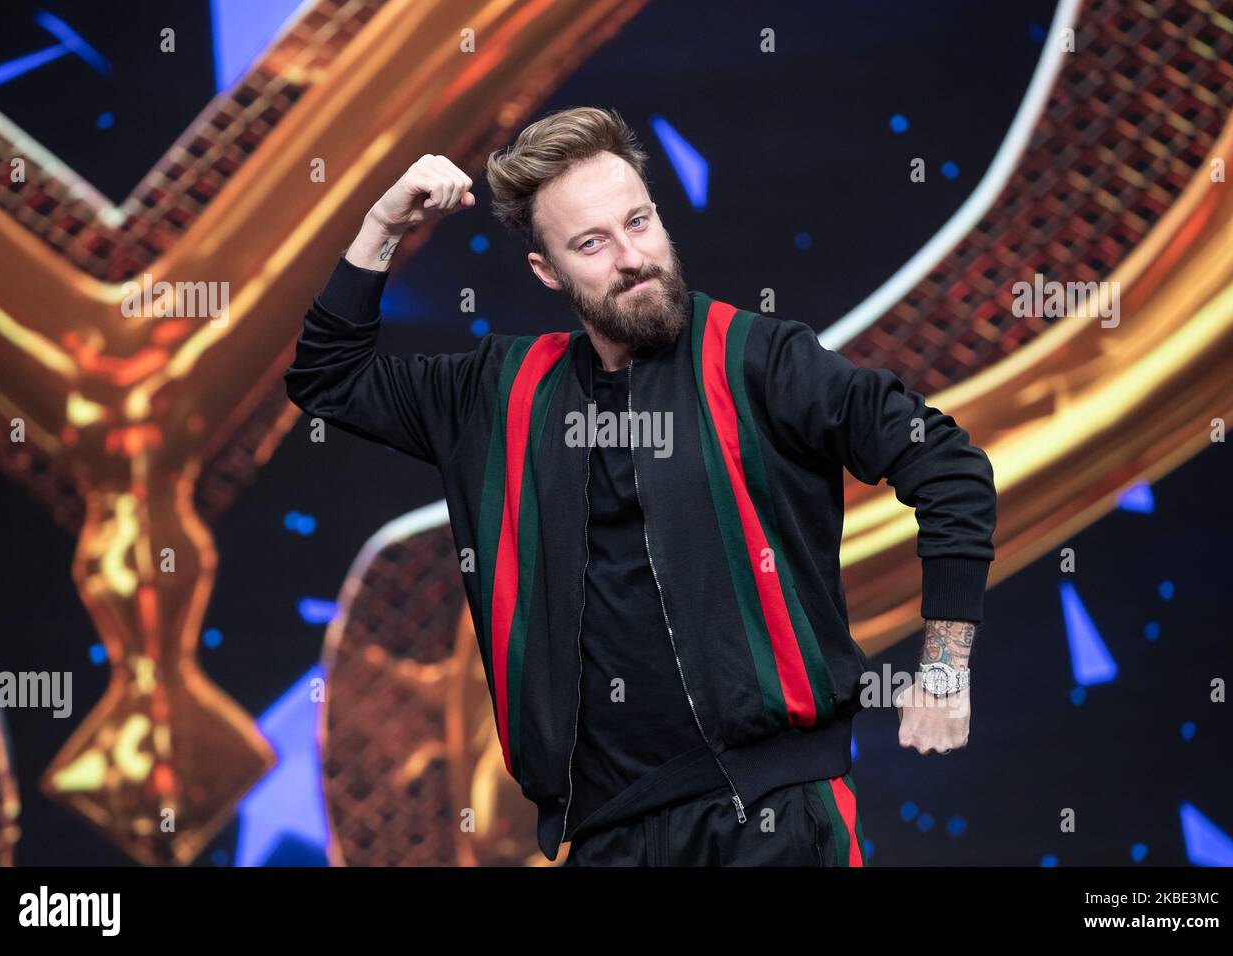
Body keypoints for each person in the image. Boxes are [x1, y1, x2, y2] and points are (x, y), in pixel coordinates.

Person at [284, 106, 996, 866]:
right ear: (547, 271)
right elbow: (328, 378)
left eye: (640, 222)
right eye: (592, 243)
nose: (632, 257)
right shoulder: (498, 395)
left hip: (774, 818)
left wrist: (946, 665)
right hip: (607, 836)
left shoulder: (760, 361)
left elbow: (947, 465)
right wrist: (383, 224)